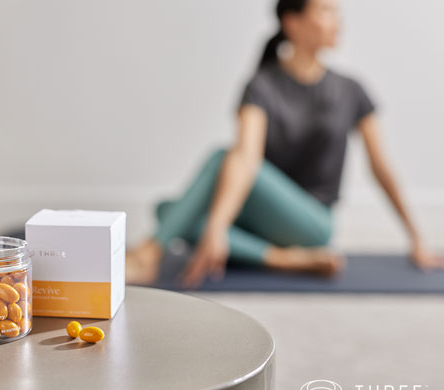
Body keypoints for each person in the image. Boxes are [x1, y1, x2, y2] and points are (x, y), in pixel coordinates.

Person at [125, 0, 444, 289]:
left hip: (311, 225)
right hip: (261, 219)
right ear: (292, 22)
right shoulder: (262, 85)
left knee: (213, 170)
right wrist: (219, 227)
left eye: (337, 13)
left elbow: (381, 167)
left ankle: (150, 252)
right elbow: (247, 158)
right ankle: (279, 257)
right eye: (325, 11)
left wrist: (417, 239)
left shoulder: (351, 90)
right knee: (166, 210)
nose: (337, 21)